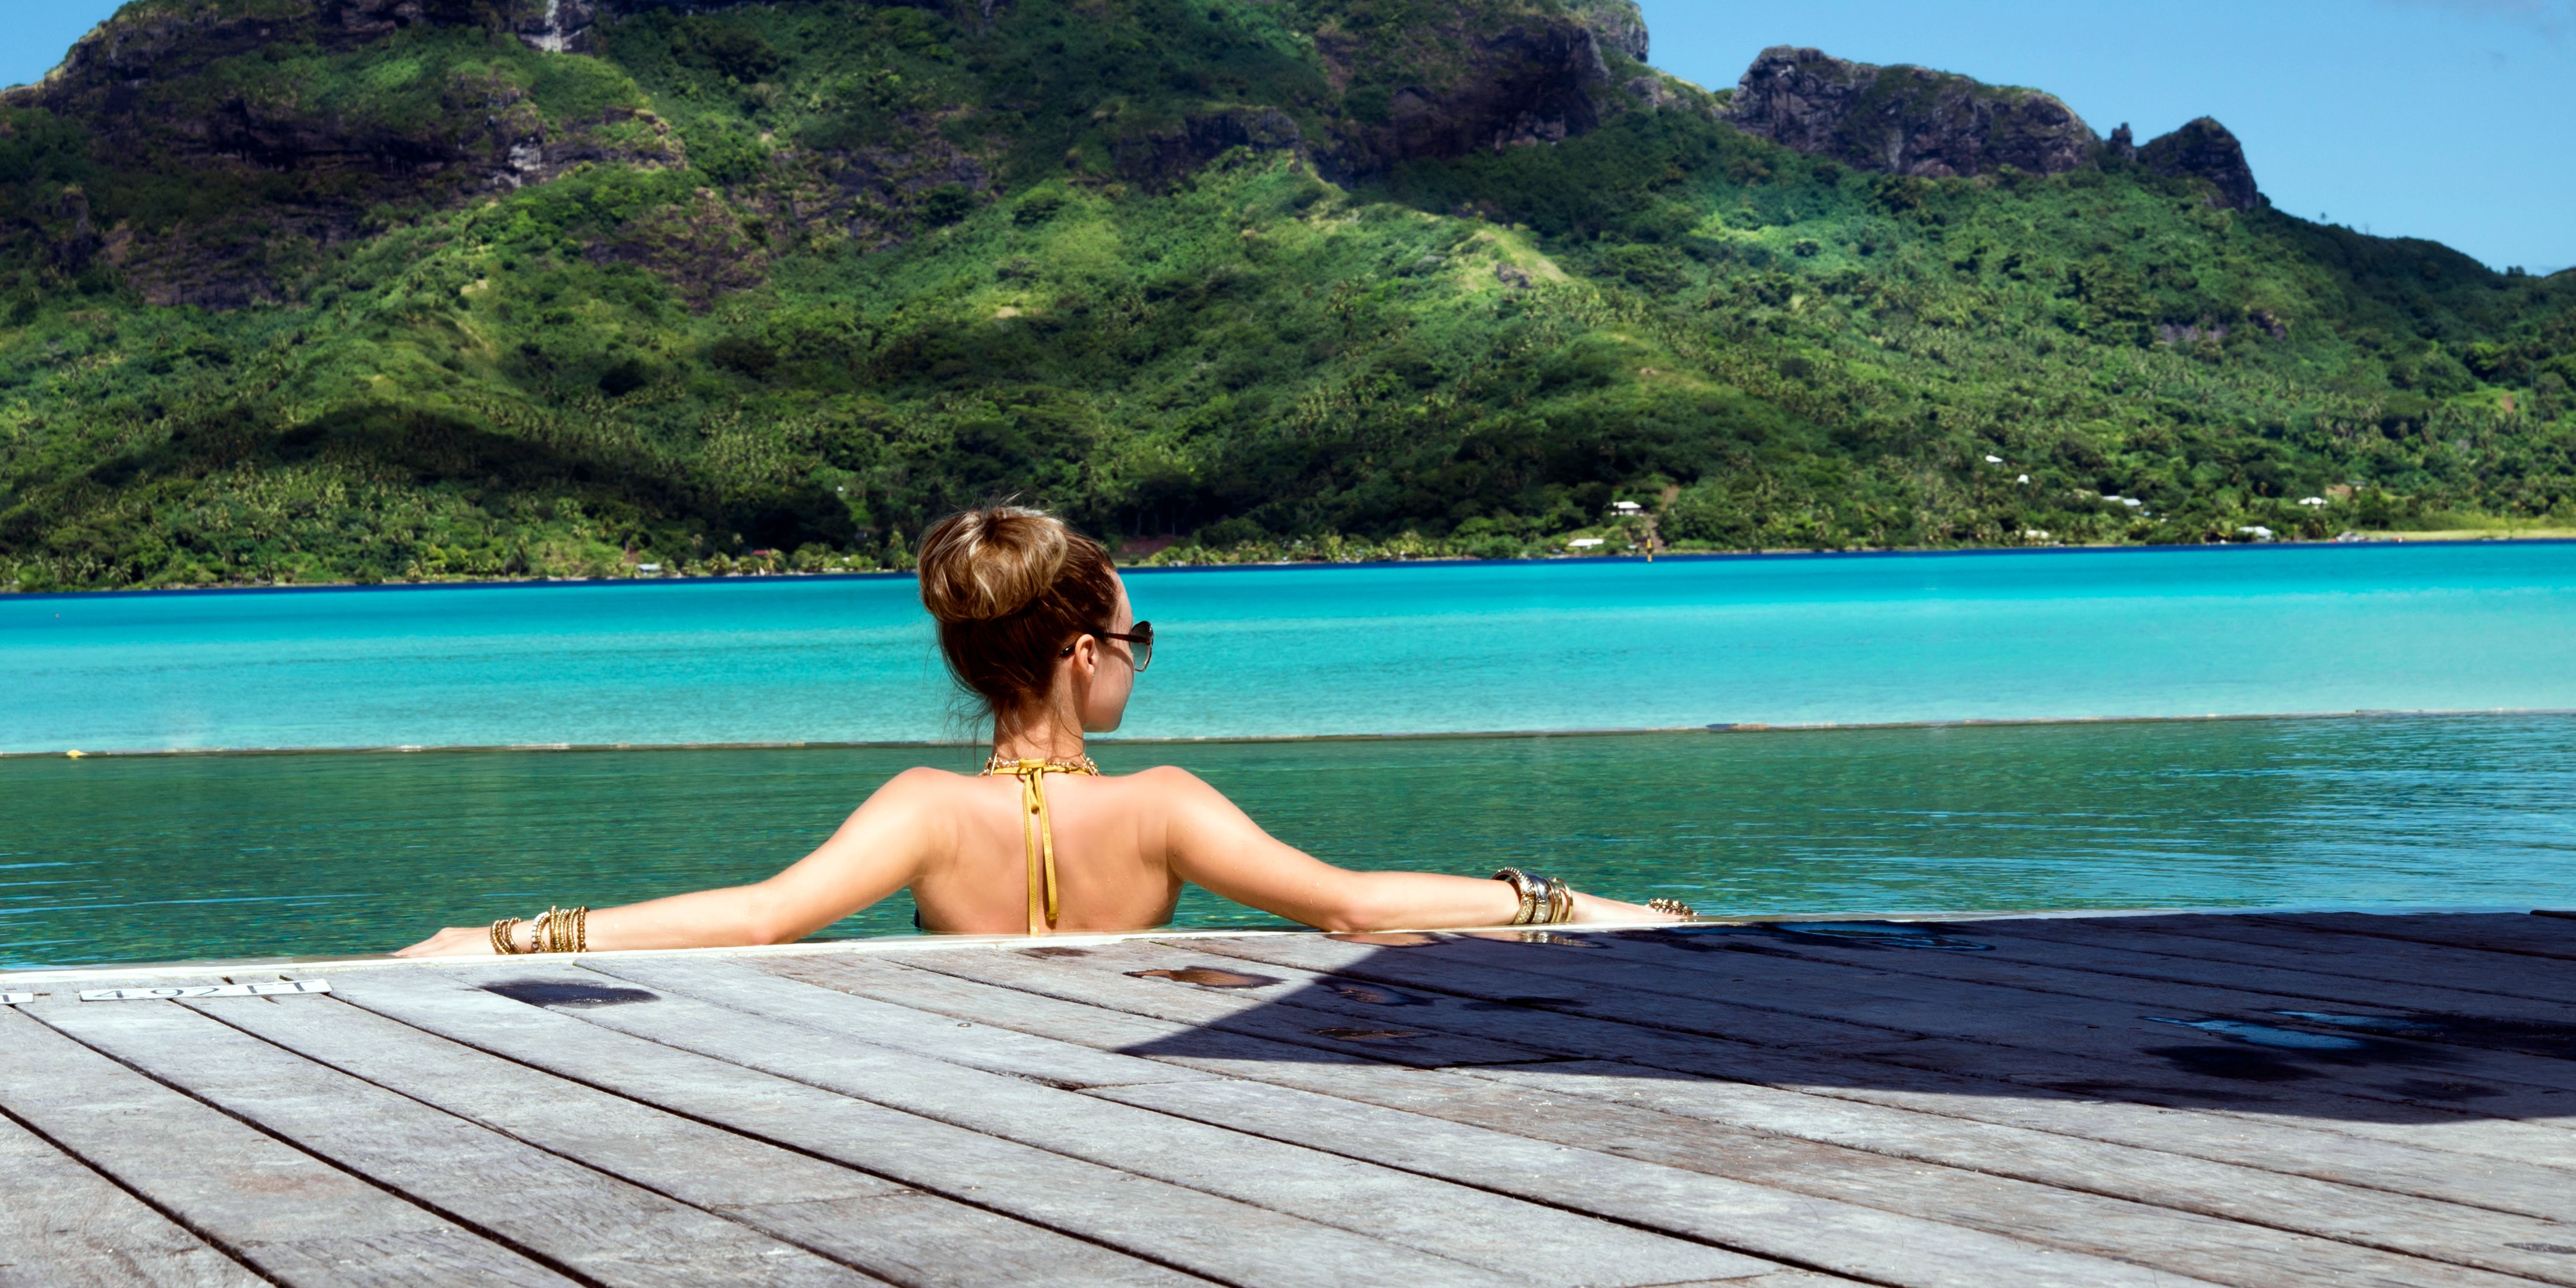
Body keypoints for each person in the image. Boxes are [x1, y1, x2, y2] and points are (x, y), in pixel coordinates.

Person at [397, 504, 1693, 956]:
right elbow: (1352, 906)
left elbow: (753, 918)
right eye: (1136, 640)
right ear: (1082, 655)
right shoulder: (1165, 806)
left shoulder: (921, 807)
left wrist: (499, 934)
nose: (1138, 660)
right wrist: (1577, 906)